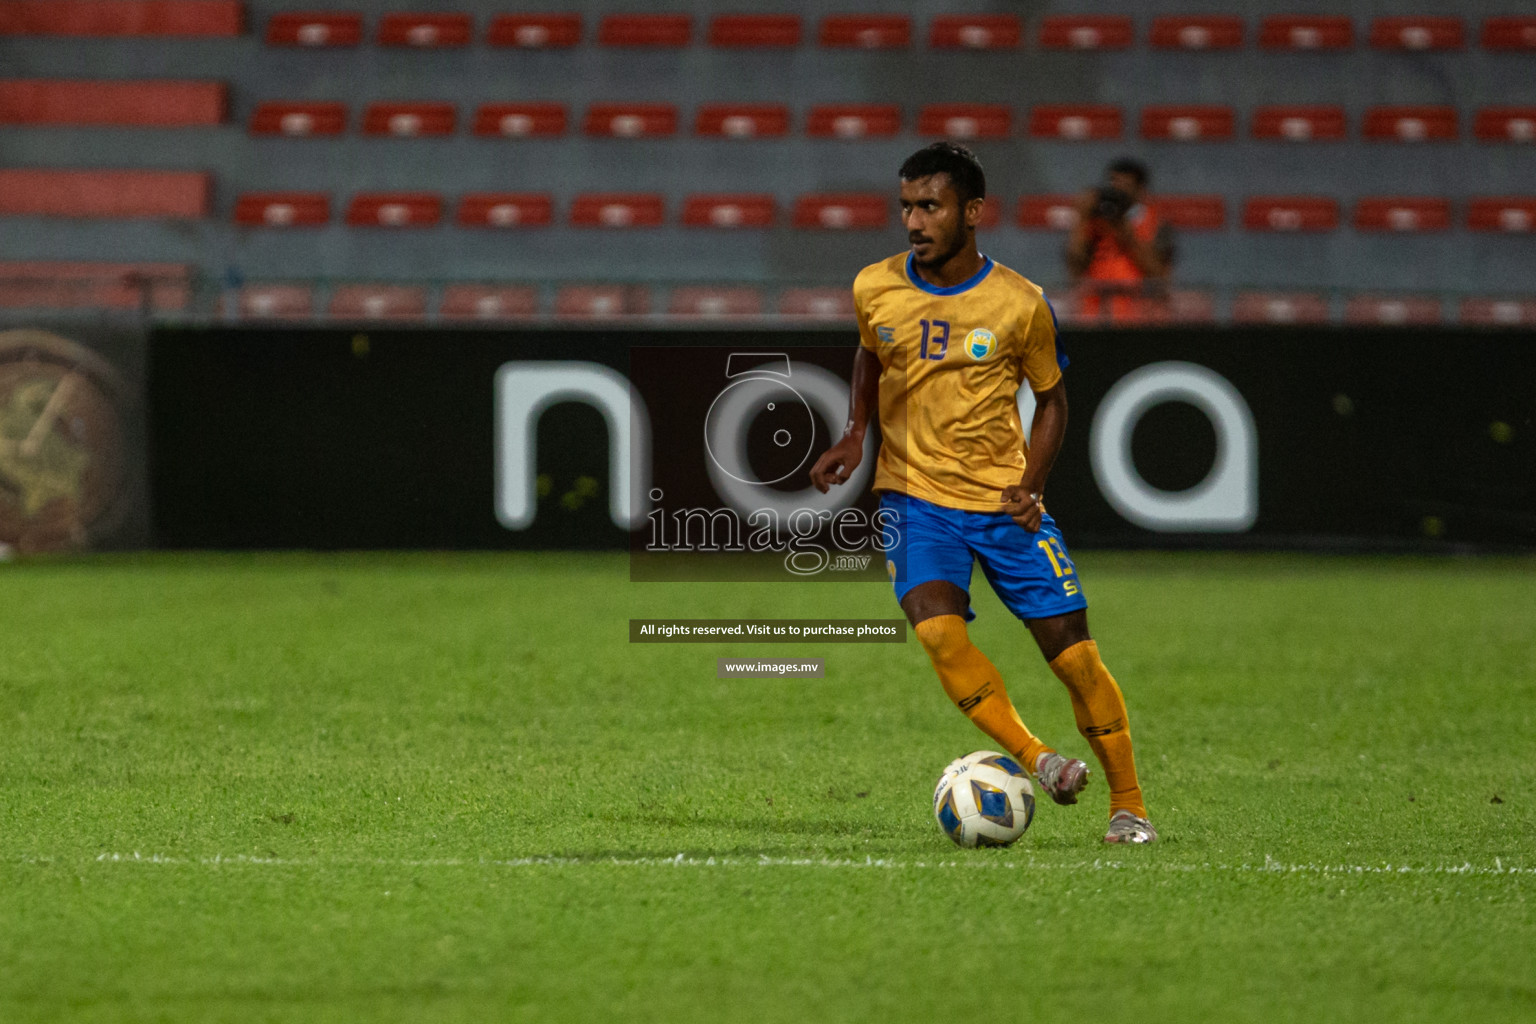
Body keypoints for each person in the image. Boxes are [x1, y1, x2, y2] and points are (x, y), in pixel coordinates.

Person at [809, 141, 1156, 844]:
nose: (914, 221)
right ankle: (1041, 760)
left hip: (1002, 504)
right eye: (907, 205)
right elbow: (870, 353)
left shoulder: (1019, 303)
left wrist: (1032, 485)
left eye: (930, 206)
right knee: (938, 632)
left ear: (971, 212)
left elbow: (1053, 400)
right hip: (913, 497)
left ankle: (1130, 805)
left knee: (1075, 657)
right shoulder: (874, 286)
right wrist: (855, 433)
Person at [1064, 157, 1175, 323]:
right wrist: (1081, 219)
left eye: (1125, 187)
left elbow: (1159, 275)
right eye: (1113, 185)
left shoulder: (1156, 223)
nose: (1118, 192)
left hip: (1138, 315)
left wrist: (1124, 231)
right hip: (1094, 315)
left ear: (1140, 190)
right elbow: (1075, 269)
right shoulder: (1094, 223)